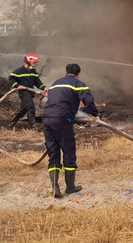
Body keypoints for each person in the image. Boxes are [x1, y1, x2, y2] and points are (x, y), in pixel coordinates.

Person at [41, 63, 99, 198]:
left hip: (47, 118)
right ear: (79, 73)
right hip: (62, 119)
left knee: (53, 152)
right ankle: (70, 188)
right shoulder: (78, 83)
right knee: (68, 151)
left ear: (66, 72)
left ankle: (55, 187)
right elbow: (88, 100)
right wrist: (94, 114)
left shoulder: (55, 83)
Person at [8, 53, 45, 129]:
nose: (35, 64)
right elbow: (11, 79)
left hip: (30, 93)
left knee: (23, 110)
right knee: (31, 107)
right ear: (28, 62)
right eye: (34, 63)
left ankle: (11, 124)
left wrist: (44, 88)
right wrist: (17, 86)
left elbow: (38, 83)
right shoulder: (18, 71)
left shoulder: (33, 72)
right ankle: (33, 126)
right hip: (23, 92)